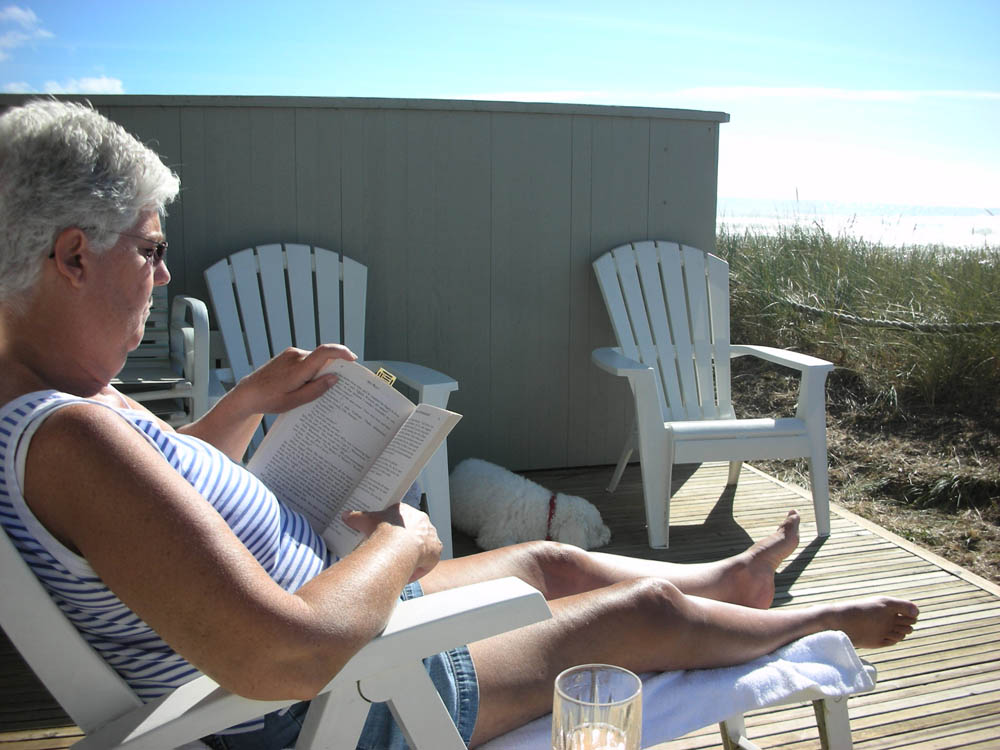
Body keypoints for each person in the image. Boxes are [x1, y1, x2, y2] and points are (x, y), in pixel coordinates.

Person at [0, 99, 919, 750]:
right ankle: (806, 623)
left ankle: (725, 576)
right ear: (75, 255)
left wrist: (247, 405)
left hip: (345, 620)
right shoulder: (72, 438)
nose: (164, 276)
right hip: (355, 694)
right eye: (151, 249)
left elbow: (162, 493)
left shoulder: (60, 405)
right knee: (644, 614)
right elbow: (285, 656)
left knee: (551, 561)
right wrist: (402, 547)